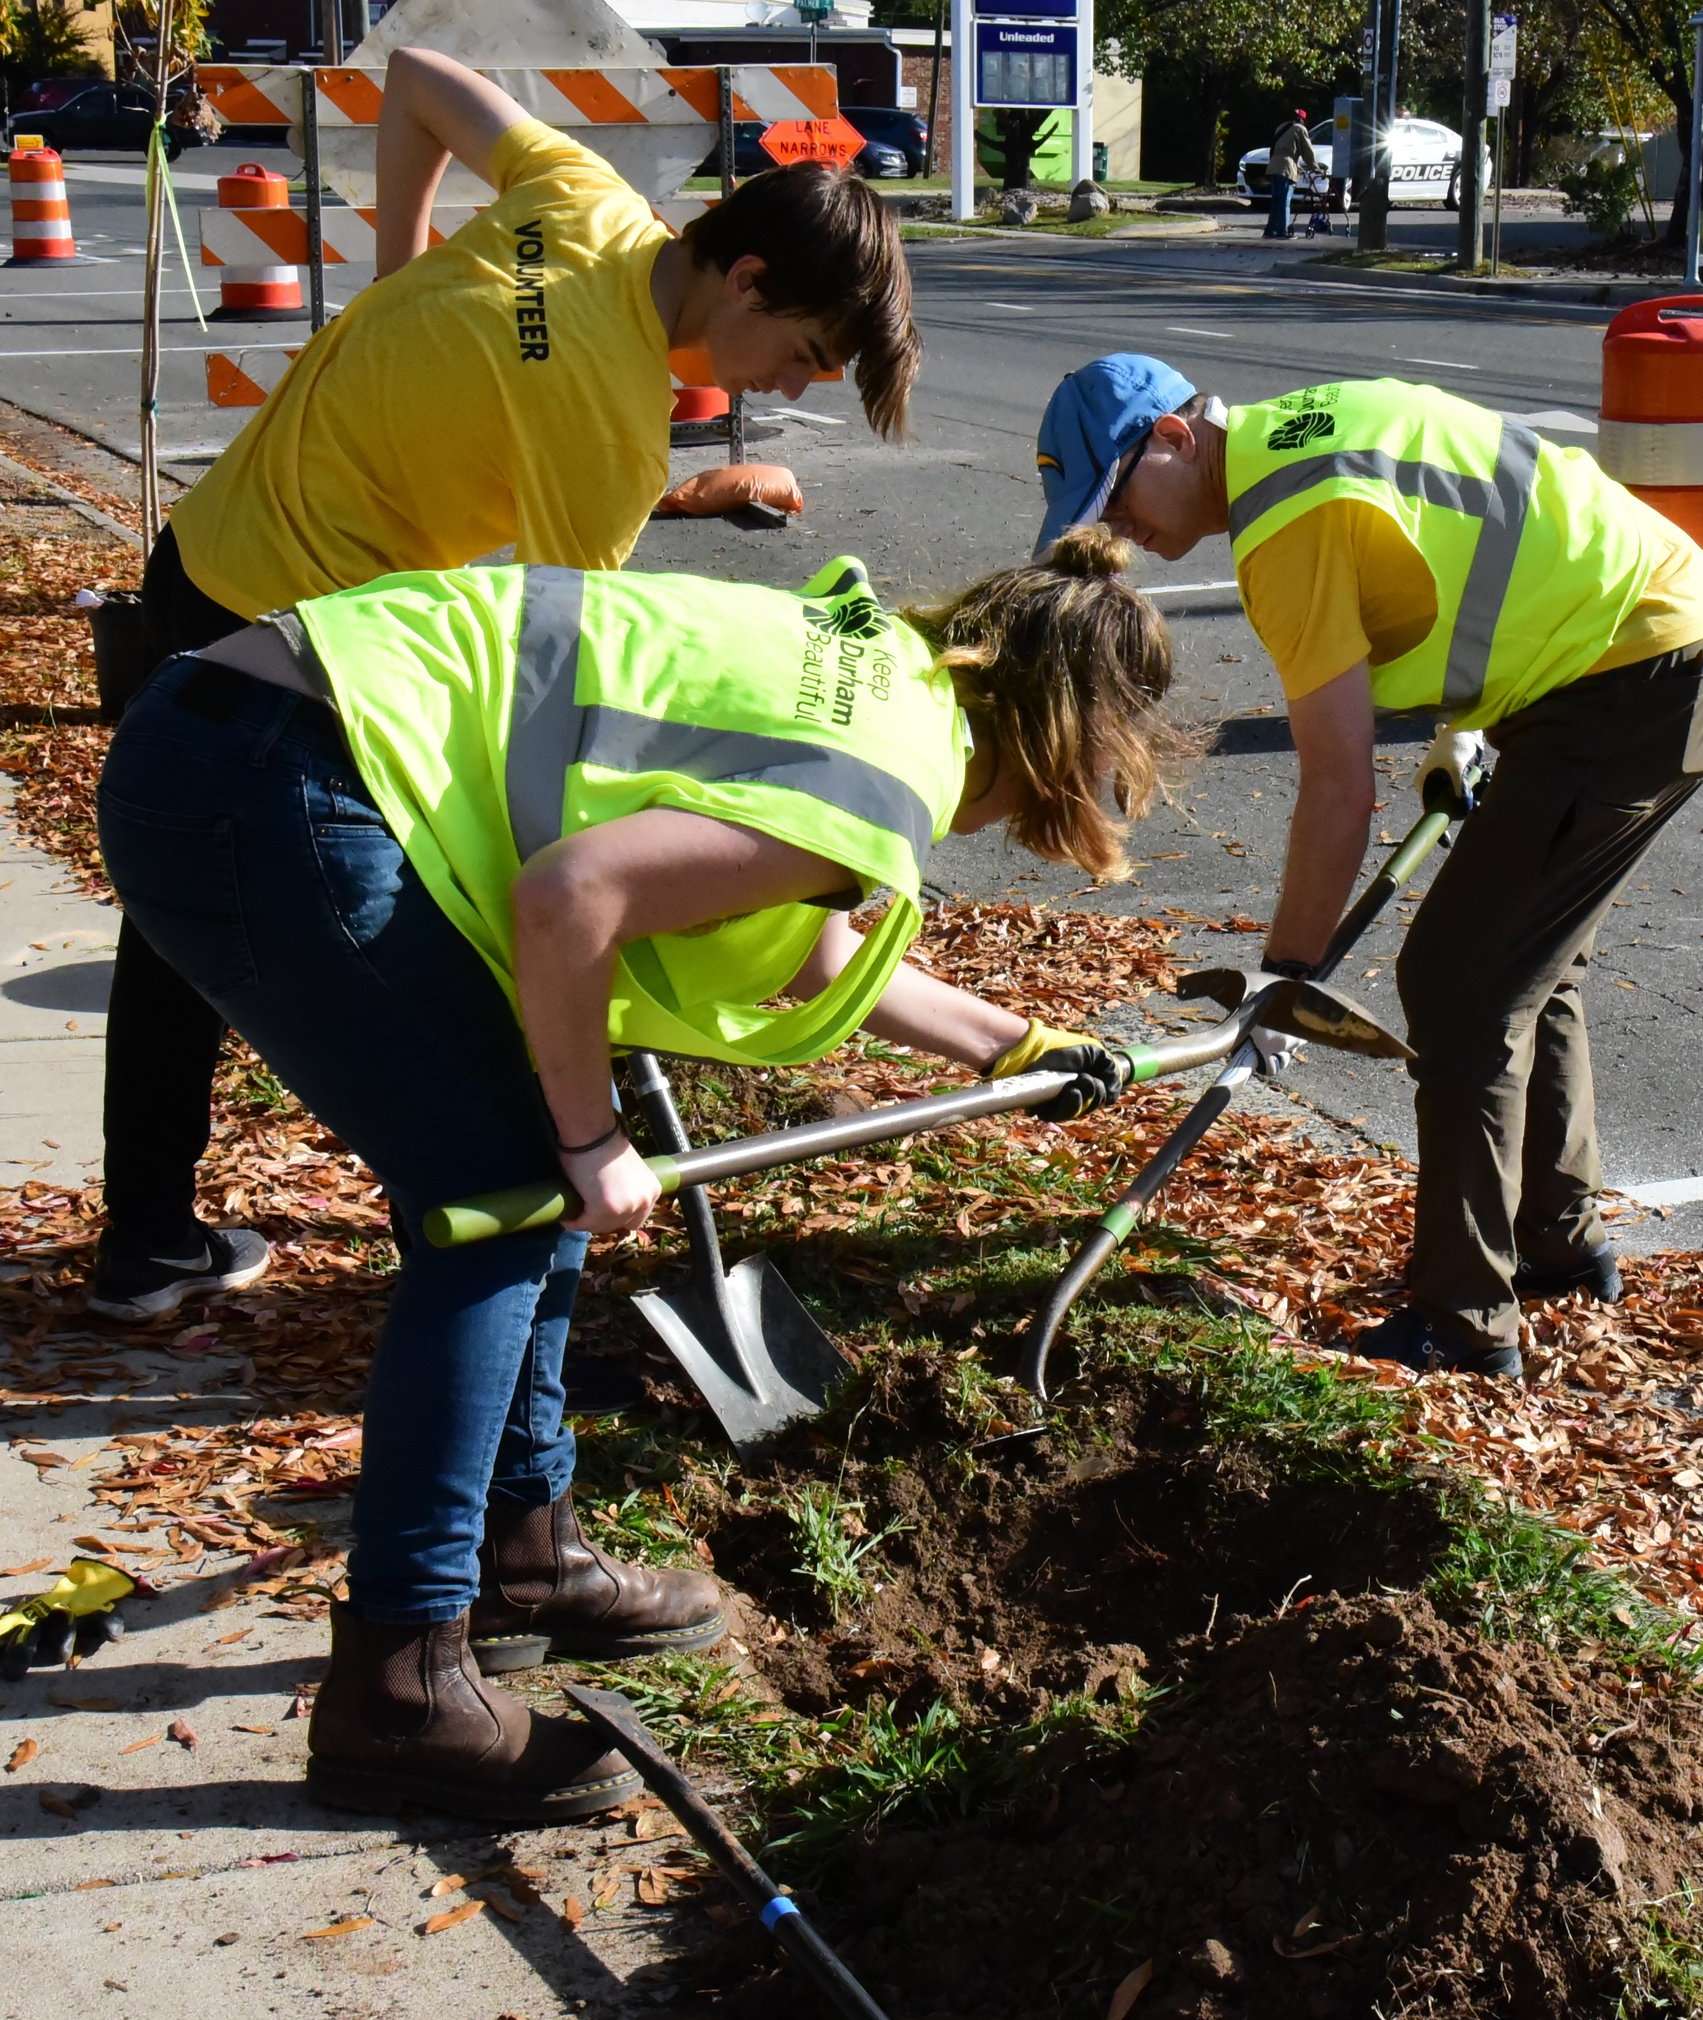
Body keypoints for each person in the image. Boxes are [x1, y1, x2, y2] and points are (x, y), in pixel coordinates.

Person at [96, 530, 1178, 1824]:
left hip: (240, 731)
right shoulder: (891, 771)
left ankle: (526, 1558)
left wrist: (1021, 1042)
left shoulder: (876, 677)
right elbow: (572, 897)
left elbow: (818, 952)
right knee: (499, 1195)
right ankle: (402, 1680)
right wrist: (592, 1134)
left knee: (521, 1174)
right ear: (1060, 743)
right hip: (274, 773)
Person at [90, 46, 922, 1323]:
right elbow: (559, 684)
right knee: (373, 941)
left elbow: (418, 79)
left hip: (201, 554)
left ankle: (146, 1236)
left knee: (167, 939)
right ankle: (473, 1234)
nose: (792, 388)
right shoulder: (605, 432)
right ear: (747, 277)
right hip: (290, 645)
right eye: (804, 353)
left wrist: (396, 274)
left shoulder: (585, 201)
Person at [1030, 357, 1703, 1379]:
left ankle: (1464, 1322)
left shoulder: (1284, 528)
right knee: (1528, 964)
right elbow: (1483, 541)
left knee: (1457, 989)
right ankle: (1559, 1238)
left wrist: (1283, 978)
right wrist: (1472, 724)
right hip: (1633, 651)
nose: (1117, 531)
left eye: (1115, 494)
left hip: (1635, 673)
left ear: (1177, 439)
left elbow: (1337, 792)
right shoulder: (1308, 430)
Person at [1266, 108, 1321, 240]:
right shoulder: (1300, 129)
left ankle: (1270, 230)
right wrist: (1315, 168)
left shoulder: (1281, 127)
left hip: (1273, 166)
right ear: (1302, 119)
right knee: (1285, 201)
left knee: (1276, 200)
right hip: (1286, 168)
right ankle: (1282, 231)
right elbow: (1307, 151)